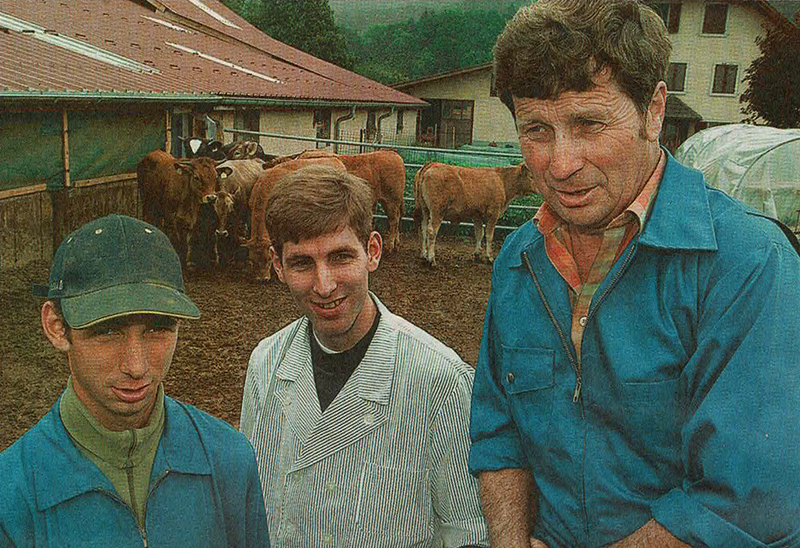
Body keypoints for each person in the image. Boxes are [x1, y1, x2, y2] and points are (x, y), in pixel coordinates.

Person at [468, 1, 800, 547]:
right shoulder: (519, 260)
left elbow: (745, 501)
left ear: (653, 110)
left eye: (588, 123)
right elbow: (499, 431)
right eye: (536, 129)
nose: (559, 162)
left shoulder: (747, 264)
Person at [240, 166, 489, 548]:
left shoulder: (441, 381)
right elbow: (253, 507)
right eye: (302, 263)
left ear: (373, 251)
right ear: (278, 265)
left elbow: (466, 533)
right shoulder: (266, 364)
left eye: (340, 257)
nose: (324, 286)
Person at [0, 214, 270, 547]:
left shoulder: (228, 459)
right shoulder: (11, 496)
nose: (137, 366)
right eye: (107, 331)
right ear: (57, 326)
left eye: (158, 329)